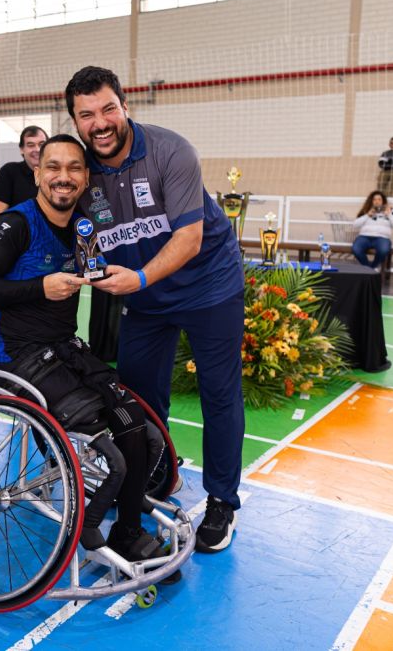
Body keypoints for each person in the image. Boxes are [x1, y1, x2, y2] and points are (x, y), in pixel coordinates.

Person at [0, 135, 171, 564]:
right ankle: (91, 529)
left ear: (86, 178)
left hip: (63, 351)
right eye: (53, 167)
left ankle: (128, 530)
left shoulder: (82, 226)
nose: (63, 177)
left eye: (74, 168)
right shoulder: (15, 225)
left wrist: (109, 275)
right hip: (13, 357)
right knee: (112, 455)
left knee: (141, 430)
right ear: (37, 173)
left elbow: (89, 270)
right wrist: (40, 287)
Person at [65, 66, 244, 553]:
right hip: (146, 298)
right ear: (76, 122)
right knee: (138, 398)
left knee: (219, 394)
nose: (100, 123)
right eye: (87, 115)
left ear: (125, 107)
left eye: (108, 109)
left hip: (209, 286)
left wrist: (139, 278)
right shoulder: (82, 171)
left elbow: (189, 238)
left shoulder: (171, 151)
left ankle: (222, 502)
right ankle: (159, 474)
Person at [0, 126, 48, 214]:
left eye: (41, 144)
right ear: (22, 149)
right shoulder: (9, 172)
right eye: (31, 145)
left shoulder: (56, 174)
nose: (37, 149)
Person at [352, 190, 393, 269]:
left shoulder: (390, 210)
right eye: (374, 199)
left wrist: (389, 215)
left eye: (379, 199)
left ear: (383, 201)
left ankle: (372, 268)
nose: (377, 201)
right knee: (356, 249)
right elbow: (355, 225)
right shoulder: (366, 209)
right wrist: (367, 215)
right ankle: (369, 269)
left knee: (383, 250)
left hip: (382, 238)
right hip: (364, 237)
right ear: (371, 201)